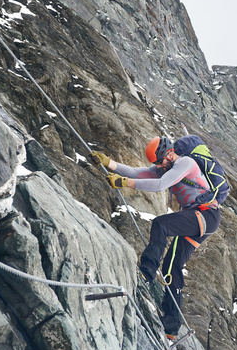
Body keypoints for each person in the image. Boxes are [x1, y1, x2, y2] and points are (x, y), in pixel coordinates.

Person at [91, 137, 220, 338]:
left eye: (160, 161)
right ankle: (171, 327)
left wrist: (126, 183)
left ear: (169, 154)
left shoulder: (185, 163)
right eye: (156, 164)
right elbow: (136, 172)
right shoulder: (165, 167)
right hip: (200, 217)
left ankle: (147, 273)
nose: (158, 166)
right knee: (171, 266)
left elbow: (160, 185)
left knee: (161, 224)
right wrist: (109, 163)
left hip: (205, 214)